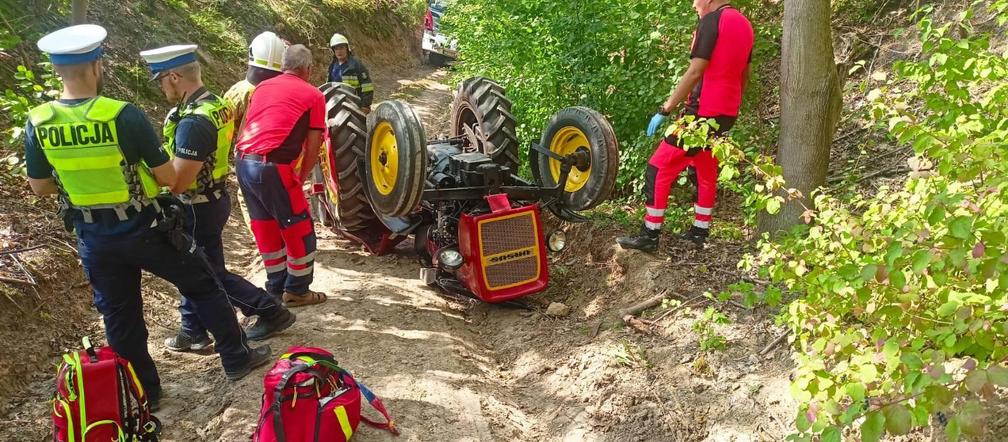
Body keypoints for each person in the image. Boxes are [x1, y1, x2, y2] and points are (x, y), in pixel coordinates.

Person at [23, 25, 271, 408]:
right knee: (203, 284)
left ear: (57, 70)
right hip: (145, 227)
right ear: (97, 65)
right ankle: (237, 358)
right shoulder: (121, 115)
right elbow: (168, 177)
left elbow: (40, 187)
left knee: (120, 318)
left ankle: (144, 393)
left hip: (93, 236)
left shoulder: (38, 121)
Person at [139, 44, 296, 352]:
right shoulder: (215, 104)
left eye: (160, 79)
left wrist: (147, 172)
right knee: (198, 266)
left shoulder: (194, 121)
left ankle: (267, 309)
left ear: (173, 77)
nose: (160, 87)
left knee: (204, 274)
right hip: (213, 199)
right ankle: (193, 329)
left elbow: (180, 181)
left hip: (197, 206)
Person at [616, 0, 753, 252]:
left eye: (696, 0)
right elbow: (744, 74)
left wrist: (665, 110)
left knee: (658, 167)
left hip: (701, 114)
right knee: (705, 168)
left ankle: (649, 235)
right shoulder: (745, 24)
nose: (693, 5)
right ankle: (700, 232)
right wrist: (731, 106)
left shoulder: (711, 21)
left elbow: (695, 71)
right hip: (726, 113)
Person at [234, 44, 327, 307]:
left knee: (266, 227)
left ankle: (275, 287)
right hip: (273, 167)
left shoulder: (263, 87)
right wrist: (302, 175)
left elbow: (245, 128)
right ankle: (297, 290)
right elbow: (314, 142)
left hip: (243, 162)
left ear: (283, 66)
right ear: (308, 69)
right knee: (300, 228)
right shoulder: (313, 95)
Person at [327, 33, 374, 113]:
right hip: (337, 104)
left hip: (355, 104)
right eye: (336, 49)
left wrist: (365, 105)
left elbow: (367, 86)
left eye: (342, 48)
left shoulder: (356, 65)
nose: (339, 51)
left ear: (347, 48)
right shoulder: (332, 66)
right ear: (333, 51)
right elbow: (329, 85)